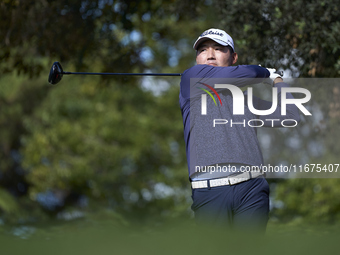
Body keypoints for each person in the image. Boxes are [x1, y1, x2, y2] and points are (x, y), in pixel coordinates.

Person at [179, 28, 300, 232]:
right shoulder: (190, 79)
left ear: (233, 57)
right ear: (197, 58)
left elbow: (291, 116)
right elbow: (250, 73)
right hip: (210, 191)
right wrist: (265, 72)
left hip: (251, 188)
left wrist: (278, 81)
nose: (210, 55)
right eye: (203, 50)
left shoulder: (246, 100)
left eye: (218, 49)